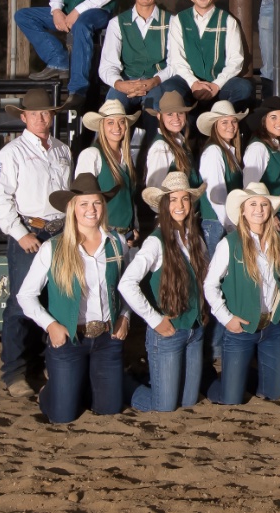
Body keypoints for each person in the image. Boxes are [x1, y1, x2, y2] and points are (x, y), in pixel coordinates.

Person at [15, 174, 128, 423]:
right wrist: (51, 325)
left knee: (109, 410)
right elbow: (26, 295)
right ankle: (49, 391)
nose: (91, 209)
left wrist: (124, 315)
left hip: (107, 339)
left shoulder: (118, 243)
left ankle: (83, 384)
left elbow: (126, 287)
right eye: (84, 204)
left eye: (96, 203)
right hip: (68, 340)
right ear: (73, 208)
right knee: (61, 415)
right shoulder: (52, 248)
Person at [0, 89, 72, 397]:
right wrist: (19, 232)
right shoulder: (10, 154)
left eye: (46, 113)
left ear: (52, 116)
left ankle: (46, 363)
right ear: (23, 117)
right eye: (34, 114)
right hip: (31, 232)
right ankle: (15, 372)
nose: (40, 118)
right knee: (22, 303)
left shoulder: (63, 150)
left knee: (55, 299)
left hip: (61, 232)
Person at [120, 173, 208, 412]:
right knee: (164, 407)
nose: (179, 205)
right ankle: (122, 384)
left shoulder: (196, 239)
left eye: (185, 199)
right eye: (173, 200)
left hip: (194, 330)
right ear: (164, 205)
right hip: (167, 332)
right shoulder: (155, 242)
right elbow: (127, 283)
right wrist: (154, 319)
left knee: (189, 402)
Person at [204, 182, 280, 405]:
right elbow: (210, 285)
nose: (259, 209)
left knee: (273, 394)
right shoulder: (229, 244)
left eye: (264, 204)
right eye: (252, 204)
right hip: (240, 329)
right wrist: (227, 318)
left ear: (270, 210)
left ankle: (244, 375)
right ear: (243, 209)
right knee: (230, 399)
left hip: (271, 328)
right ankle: (205, 381)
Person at [98, 0, 188, 114]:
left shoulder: (172, 22)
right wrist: (119, 84)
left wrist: (155, 81)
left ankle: (156, 136)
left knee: (156, 115)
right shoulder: (117, 23)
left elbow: (175, 62)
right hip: (127, 82)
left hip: (157, 82)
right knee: (111, 113)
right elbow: (108, 65)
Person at [167, 0, 253, 109]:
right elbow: (176, 59)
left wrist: (216, 85)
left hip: (219, 83)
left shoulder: (227, 20)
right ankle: (184, 127)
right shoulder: (179, 20)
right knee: (169, 88)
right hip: (189, 84)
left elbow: (236, 60)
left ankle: (226, 124)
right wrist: (194, 83)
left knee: (243, 87)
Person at [76, 100, 139, 244]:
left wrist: (133, 227)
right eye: (110, 122)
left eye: (121, 122)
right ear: (101, 126)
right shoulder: (92, 154)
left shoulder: (127, 158)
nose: (117, 127)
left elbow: (129, 200)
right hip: (100, 235)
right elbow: (81, 200)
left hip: (125, 237)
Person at [194, 100, 247, 257]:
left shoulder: (228, 151)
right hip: (217, 222)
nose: (230, 126)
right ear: (215, 126)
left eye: (233, 121)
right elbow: (216, 194)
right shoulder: (214, 152)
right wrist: (231, 225)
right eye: (224, 122)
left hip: (222, 222)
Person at [242, 97, 280, 235]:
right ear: (263, 121)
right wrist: (270, 215)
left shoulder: (276, 145)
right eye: (273, 117)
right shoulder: (258, 148)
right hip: (269, 219)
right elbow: (250, 188)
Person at [143, 90, 199, 189]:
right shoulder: (161, 146)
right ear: (160, 117)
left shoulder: (181, 141)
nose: (176, 118)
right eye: (170, 114)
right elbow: (155, 189)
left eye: (180, 113)